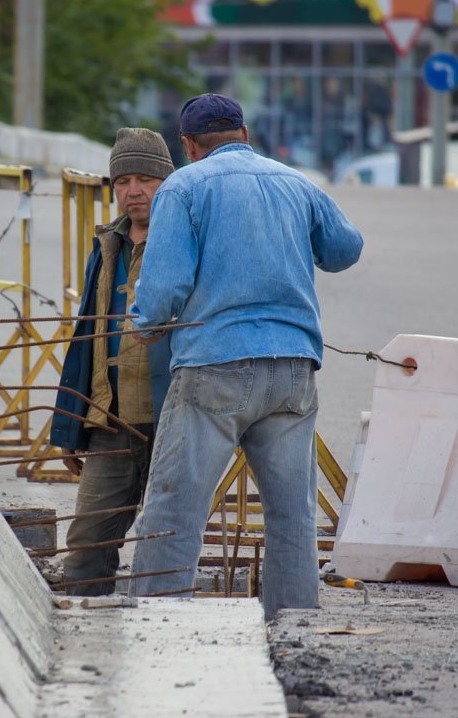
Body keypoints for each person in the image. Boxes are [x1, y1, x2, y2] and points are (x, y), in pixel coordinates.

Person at [126, 93, 364, 621]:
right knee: (292, 515)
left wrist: (144, 322)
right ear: (245, 133)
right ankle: (294, 625)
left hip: (215, 367)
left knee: (175, 506)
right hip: (293, 370)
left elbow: (165, 285)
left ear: (188, 145)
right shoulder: (294, 182)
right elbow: (345, 249)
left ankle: (156, 623)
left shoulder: (185, 187)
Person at [50, 128, 175, 596]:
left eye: (145, 178)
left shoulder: (184, 242)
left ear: (168, 182)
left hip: (173, 422)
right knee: (85, 547)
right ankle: (90, 655)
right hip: (112, 420)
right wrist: (71, 422)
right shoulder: (105, 249)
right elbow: (86, 339)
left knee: (168, 545)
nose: (133, 191)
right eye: (123, 180)